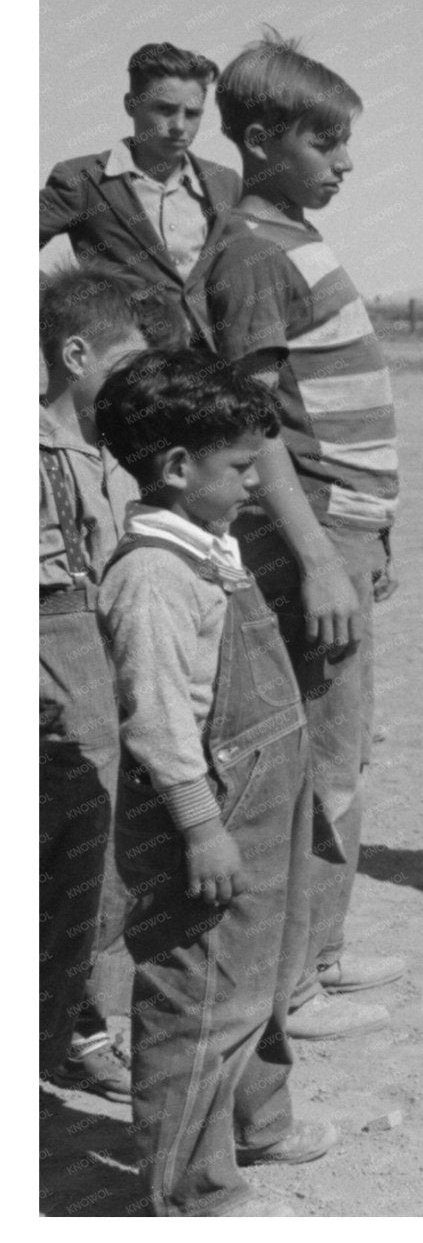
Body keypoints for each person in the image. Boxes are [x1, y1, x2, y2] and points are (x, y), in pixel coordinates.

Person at [97, 349, 339, 1217]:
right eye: (240, 467)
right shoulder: (155, 576)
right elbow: (159, 725)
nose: (253, 483)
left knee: (262, 977)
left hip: (266, 803)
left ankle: (257, 1122)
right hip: (208, 819)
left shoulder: (210, 544)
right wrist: (202, 827)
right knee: (200, 997)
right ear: (175, 467)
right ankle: (189, 1188)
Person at [201, 29, 404, 1039]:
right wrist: (321, 555)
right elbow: (254, 424)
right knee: (319, 758)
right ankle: (292, 988)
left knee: (345, 750)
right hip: (311, 537)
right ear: (263, 137)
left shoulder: (290, 239)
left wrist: (372, 536)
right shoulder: (249, 250)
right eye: (326, 144)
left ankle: (320, 947)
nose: (344, 162)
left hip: (346, 531)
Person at [39, 266, 153, 1100]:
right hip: (61, 647)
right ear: (75, 353)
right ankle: (67, 1023)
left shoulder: (110, 447)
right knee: (86, 828)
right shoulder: (34, 451)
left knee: (115, 840)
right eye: (121, 364)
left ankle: (84, 1016)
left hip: (104, 642)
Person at [40, 43, 241, 353]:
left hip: (212, 364)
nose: (178, 126)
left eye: (192, 114)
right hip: (125, 363)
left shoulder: (225, 184)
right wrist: (61, 305)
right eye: (164, 109)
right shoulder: (82, 180)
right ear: (131, 104)